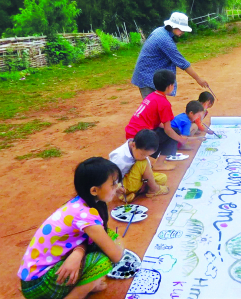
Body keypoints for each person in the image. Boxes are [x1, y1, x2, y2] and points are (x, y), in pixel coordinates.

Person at [18, 157, 125, 299]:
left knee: (109, 238)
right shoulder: (86, 215)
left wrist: (79, 252)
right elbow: (116, 256)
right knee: (103, 259)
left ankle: (88, 284)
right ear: (94, 190)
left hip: (32, 276)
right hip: (38, 284)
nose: (117, 187)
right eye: (113, 184)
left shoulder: (79, 203)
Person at [131, 12, 208, 99]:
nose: (183, 32)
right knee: (152, 107)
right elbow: (182, 62)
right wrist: (198, 79)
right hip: (146, 77)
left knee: (158, 105)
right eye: (181, 29)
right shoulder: (164, 40)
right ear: (173, 26)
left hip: (150, 74)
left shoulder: (160, 31)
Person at [125, 69, 188, 171]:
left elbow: (157, 122)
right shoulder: (164, 103)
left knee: (171, 131)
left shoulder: (152, 96)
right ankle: (159, 164)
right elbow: (168, 130)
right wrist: (180, 139)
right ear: (170, 86)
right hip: (140, 138)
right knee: (173, 132)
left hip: (131, 134)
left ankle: (148, 155)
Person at [110, 129, 169, 202]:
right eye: (143, 154)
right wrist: (116, 187)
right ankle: (153, 189)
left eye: (147, 155)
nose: (145, 157)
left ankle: (137, 192)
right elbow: (109, 176)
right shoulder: (119, 157)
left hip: (137, 179)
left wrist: (146, 179)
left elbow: (147, 170)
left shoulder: (139, 150)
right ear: (133, 145)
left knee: (162, 178)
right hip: (125, 185)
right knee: (142, 163)